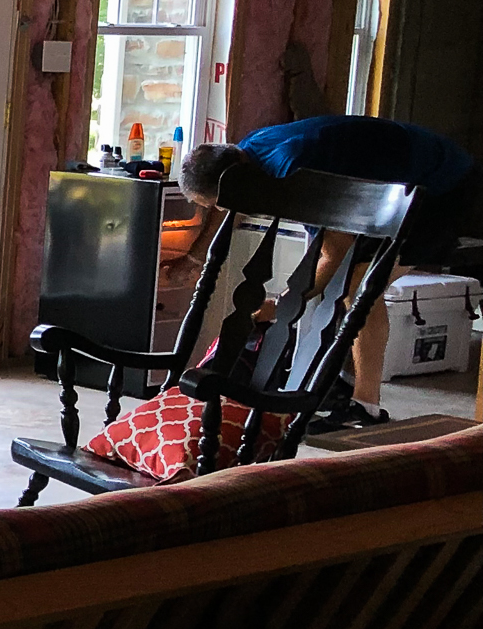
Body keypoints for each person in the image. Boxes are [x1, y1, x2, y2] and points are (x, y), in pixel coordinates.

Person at [178, 114, 478, 425]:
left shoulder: (294, 168)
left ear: (233, 182)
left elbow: (335, 251)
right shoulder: (245, 154)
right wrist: (194, 257)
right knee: (344, 285)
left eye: (215, 202)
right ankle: (344, 382)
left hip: (442, 185)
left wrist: (281, 305)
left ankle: (366, 407)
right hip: (387, 178)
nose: (219, 210)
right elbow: (236, 204)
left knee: (359, 288)